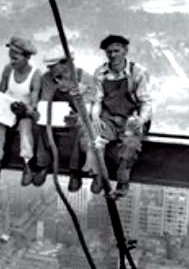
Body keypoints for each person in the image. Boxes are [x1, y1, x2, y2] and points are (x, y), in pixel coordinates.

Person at [85, 34, 152, 198]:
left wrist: (141, 120)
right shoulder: (100, 73)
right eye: (109, 52)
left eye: (116, 51)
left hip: (131, 117)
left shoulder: (138, 72)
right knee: (94, 139)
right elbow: (97, 100)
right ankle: (99, 175)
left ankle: (123, 182)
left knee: (130, 145)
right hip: (108, 117)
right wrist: (95, 118)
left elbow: (146, 102)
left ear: (125, 51)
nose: (113, 55)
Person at [31, 46, 95, 192]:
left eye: (53, 66)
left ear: (65, 63)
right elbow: (45, 100)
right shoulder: (47, 78)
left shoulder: (84, 78)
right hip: (54, 117)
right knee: (40, 125)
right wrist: (41, 111)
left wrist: (77, 115)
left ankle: (74, 170)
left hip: (75, 117)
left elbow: (89, 107)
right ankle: (43, 163)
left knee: (80, 129)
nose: (50, 69)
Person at [0, 36, 41, 185]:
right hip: (7, 110)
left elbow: (35, 103)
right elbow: (1, 91)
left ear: (27, 58)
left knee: (25, 129)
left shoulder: (35, 75)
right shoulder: (8, 69)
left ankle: (27, 163)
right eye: (10, 58)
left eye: (15, 58)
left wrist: (26, 109)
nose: (12, 61)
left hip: (24, 113)